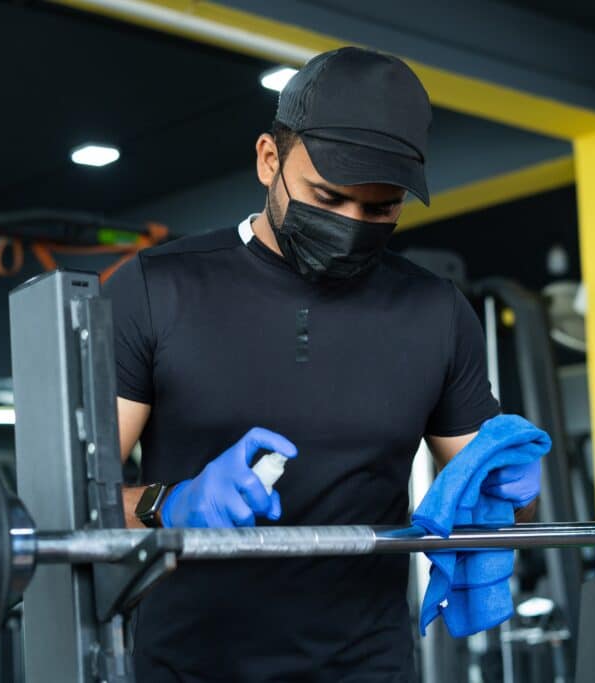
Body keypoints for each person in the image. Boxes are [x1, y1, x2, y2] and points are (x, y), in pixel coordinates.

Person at [105, 47, 541, 682]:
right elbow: (68, 505)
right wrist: (168, 506)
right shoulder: (155, 289)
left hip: (369, 668)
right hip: (190, 668)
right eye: (327, 196)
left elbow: (495, 497)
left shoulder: (434, 312)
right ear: (268, 159)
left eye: (380, 209)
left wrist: (510, 489)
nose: (350, 225)